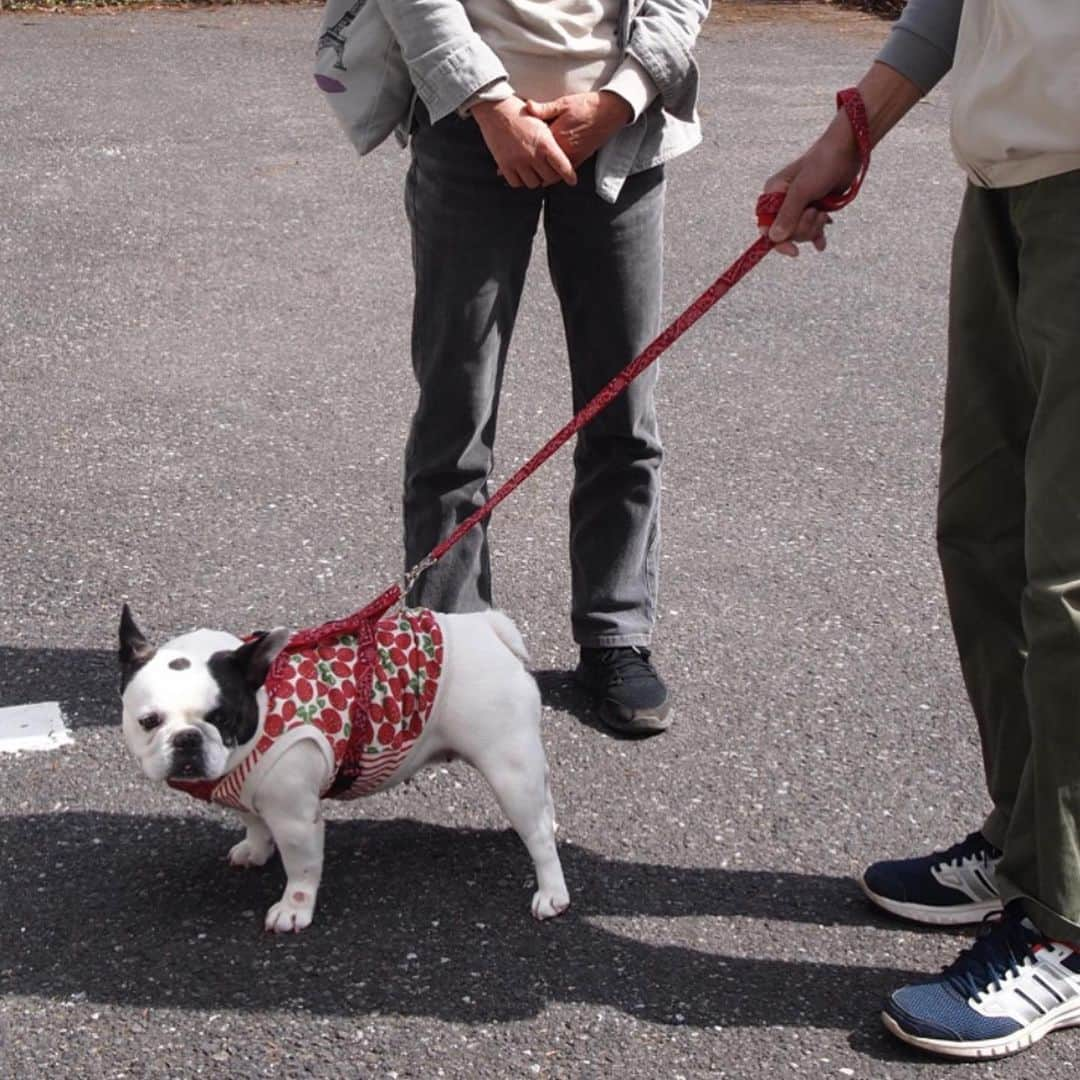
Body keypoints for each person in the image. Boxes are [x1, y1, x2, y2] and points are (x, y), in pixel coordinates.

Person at [762, 0, 1080, 1059]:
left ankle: (1069, 922)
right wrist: (845, 138)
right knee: (982, 536)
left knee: (1071, 580)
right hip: (1005, 186)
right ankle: (1030, 836)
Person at [375, 1, 709, 735]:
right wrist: (492, 105)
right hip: (468, 126)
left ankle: (615, 636)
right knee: (453, 408)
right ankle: (449, 653)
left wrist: (619, 99)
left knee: (622, 408)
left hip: (620, 127)